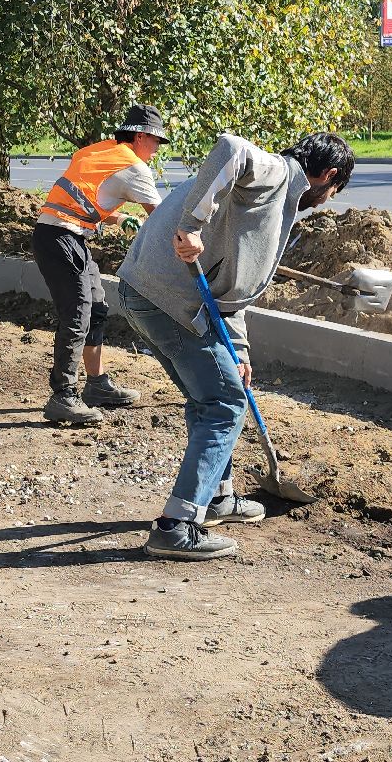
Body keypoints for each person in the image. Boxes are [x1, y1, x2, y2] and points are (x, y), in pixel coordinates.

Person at [117, 130, 355, 561]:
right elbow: (231, 148)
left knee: (207, 395)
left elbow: (234, 293)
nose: (325, 201)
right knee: (225, 404)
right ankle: (176, 526)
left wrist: (239, 353)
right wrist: (190, 226)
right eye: (332, 192)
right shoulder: (277, 174)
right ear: (329, 175)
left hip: (148, 292)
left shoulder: (275, 204)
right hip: (168, 297)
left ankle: (218, 497)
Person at [33, 104, 169, 425]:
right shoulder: (135, 166)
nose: (157, 150)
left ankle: (96, 386)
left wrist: (121, 218)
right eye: (156, 142)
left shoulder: (99, 152)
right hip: (61, 237)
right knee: (78, 312)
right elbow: (163, 219)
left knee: (95, 307)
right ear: (140, 136)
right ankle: (63, 396)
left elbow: (87, 197)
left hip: (59, 234)